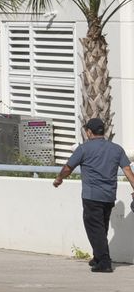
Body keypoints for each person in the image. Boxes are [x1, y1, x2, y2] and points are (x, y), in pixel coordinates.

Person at [55, 116, 134, 273]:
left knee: (93, 228)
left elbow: (68, 168)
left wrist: (59, 179)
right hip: (109, 195)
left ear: (89, 132)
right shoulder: (117, 149)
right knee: (101, 227)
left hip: (92, 196)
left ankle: (104, 262)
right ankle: (98, 257)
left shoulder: (84, 149)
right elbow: (128, 171)